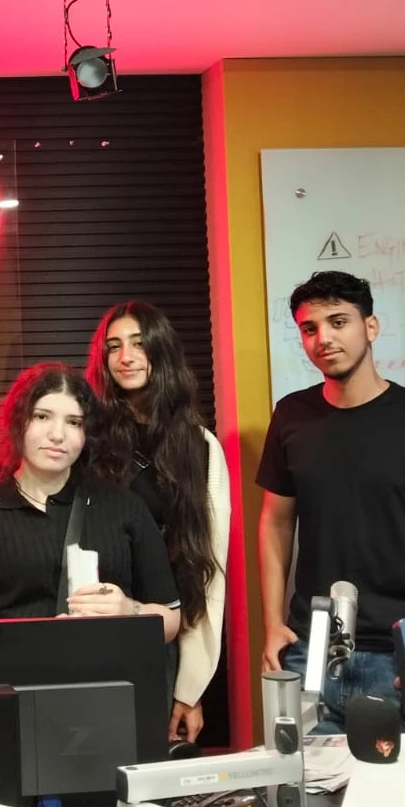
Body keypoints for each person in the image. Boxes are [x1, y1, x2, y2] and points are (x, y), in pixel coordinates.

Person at [257, 270, 405, 729]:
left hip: (400, 654)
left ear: (371, 327)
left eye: (338, 322)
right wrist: (272, 624)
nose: (323, 338)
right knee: (304, 776)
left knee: (401, 777)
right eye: (309, 328)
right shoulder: (290, 416)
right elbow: (276, 523)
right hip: (311, 649)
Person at [0, 363, 182, 647]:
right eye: (42, 416)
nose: (57, 435)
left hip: (106, 671)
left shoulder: (123, 507)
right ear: (18, 422)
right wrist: (44, 638)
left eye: (74, 422)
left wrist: (130, 610)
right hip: (15, 673)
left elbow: (171, 620)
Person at [86, 301, 229, 745]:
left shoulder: (198, 447)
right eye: (114, 347)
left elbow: (206, 569)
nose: (125, 357)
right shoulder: (86, 439)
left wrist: (191, 686)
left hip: (161, 639)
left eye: (139, 344)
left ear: (161, 351)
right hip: (88, 633)